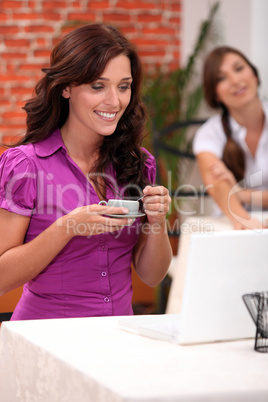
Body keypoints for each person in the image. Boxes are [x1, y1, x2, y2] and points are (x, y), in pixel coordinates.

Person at [0, 23, 172, 320]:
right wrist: (67, 227)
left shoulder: (138, 164)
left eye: (123, 86)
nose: (114, 101)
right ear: (66, 87)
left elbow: (152, 275)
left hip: (117, 340)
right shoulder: (25, 166)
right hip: (46, 340)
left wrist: (157, 222)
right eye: (97, 86)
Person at [193, 46, 268, 229]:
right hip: (232, 222)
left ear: (255, 75)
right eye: (222, 78)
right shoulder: (209, 133)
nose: (235, 80)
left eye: (239, 68)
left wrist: (240, 193)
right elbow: (217, 182)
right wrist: (245, 222)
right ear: (216, 95)